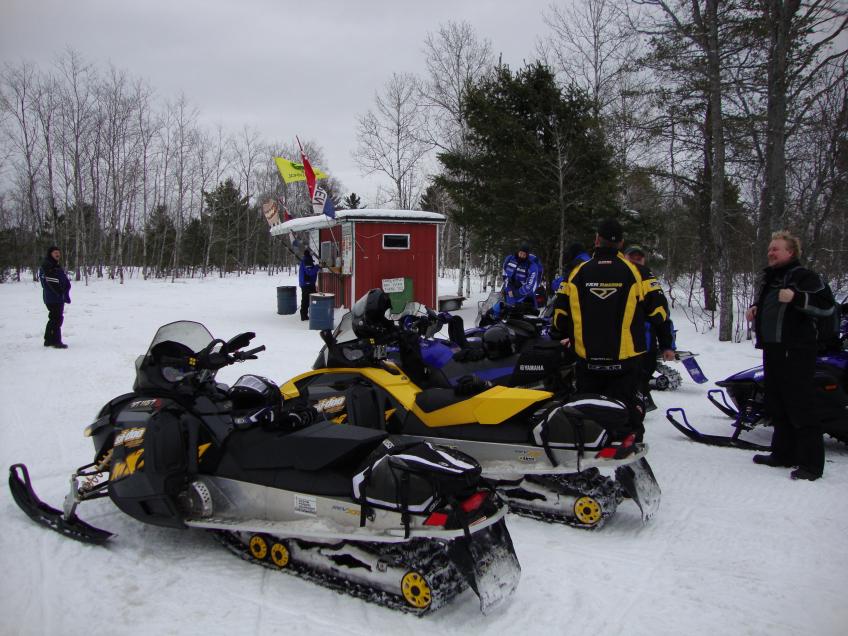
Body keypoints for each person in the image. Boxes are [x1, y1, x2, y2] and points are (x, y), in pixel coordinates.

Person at [549, 220, 674, 441]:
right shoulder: (639, 272)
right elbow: (660, 312)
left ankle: (586, 460)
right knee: (626, 417)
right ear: (621, 243)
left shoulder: (577, 273)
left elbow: (559, 316)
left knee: (587, 416)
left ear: (597, 240)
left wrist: (562, 336)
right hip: (625, 362)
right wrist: (656, 335)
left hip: (588, 361)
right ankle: (628, 453)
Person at [746, 231, 834, 481]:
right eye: (770, 248)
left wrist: (798, 297)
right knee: (778, 404)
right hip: (773, 350)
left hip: (796, 350)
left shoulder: (804, 277)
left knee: (801, 406)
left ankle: (811, 465)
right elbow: (774, 306)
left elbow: (827, 306)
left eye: (776, 249)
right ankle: (783, 454)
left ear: (790, 253)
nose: (770, 252)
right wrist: (756, 308)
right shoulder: (772, 278)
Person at [624, 245, 675, 412]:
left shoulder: (649, 280)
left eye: (639, 258)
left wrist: (667, 345)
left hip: (644, 344)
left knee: (639, 378)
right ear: (625, 257)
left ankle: (638, 409)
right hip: (621, 344)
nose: (635, 261)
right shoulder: (618, 275)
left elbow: (662, 317)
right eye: (632, 257)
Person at [38, 245, 72, 348]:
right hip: (52, 298)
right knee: (56, 318)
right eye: (55, 252)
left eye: (58, 252)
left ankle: (48, 340)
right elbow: (51, 282)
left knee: (54, 318)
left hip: (56, 297)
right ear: (50, 254)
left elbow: (63, 279)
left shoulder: (55, 265)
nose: (57, 254)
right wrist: (60, 292)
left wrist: (66, 288)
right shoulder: (47, 265)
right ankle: (56, 341)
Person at [502, 243, 544, 310]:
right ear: (518, 252)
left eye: (524, 255)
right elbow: (505, 274)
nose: (521, 256)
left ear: (527, 255)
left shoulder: (532, 266)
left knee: (513, 311)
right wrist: (507, 287)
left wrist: (515, 293)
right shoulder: (509, 259)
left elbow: (529, 286)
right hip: (510, 288)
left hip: (524, 292)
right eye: (520, 253)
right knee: (502, 307)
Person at [298, 247, 321, 321]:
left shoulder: (306, 260)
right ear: (309, 254)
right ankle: (305, 315)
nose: (312, 254)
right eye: (311, 253)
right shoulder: (307, 261)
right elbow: (310, 272)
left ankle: (305, 315)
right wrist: (317, 267)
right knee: (308, 300)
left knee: (308, 300)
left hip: (307, 283)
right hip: (307, 284)